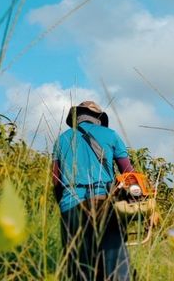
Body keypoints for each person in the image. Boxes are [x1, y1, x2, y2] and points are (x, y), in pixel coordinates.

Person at [52, 100, 134, 281]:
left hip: (70, 205)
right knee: (115, 263)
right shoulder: (111, 135)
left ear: (76, 117)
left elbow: (56, 181)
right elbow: (129, 174)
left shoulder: (61, 139)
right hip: (103, 202)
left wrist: (64, 207)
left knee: (78, 267)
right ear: (98, 118)